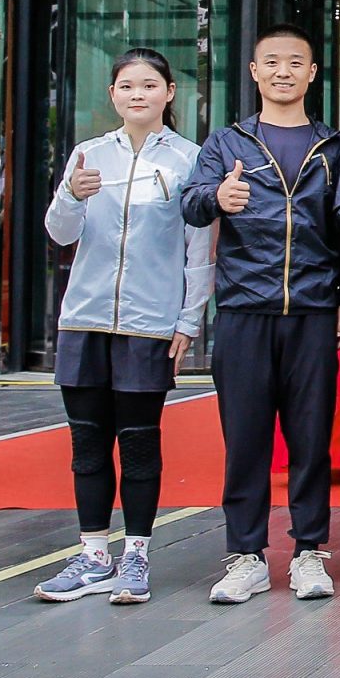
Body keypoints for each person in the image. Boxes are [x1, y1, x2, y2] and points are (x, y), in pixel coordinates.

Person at [182, 24, 340, 606]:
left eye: (295, 62)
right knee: (246, 439)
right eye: (273, 62)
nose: (284, 72)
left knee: (311, 438)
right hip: (243, 309)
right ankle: (246, 556)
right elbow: (191, 202)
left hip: (312, 310)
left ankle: (309, 551)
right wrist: (216, 199)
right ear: (255, 72)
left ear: (312, 73)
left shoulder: (335, 147)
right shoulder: (226, 143)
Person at [34, 49, 211, 607]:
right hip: (84, 318)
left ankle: (136, 555)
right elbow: (60, 233)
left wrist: (188, 319)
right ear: (113, 94)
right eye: (127, 86)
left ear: (169, 93)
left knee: (138, 441)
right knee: (87, 442)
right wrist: (71, 194)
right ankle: (93, 557)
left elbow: (199, 251)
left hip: (149, 323)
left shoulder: (189, 160)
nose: (138, 94)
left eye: (149, 85)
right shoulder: (89, 155)